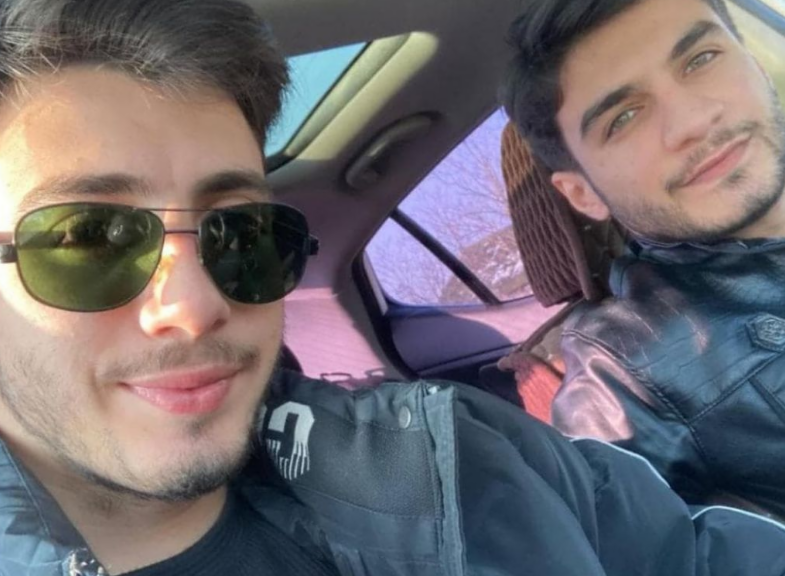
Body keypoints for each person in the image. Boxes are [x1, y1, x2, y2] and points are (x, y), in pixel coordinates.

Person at [1, 0, 785, 575]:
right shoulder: (627, 373)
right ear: (576, 191)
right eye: (84, 239)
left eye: (240, 233)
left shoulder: (464, 458)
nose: (196, 305)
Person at [503, 0, 785, 517]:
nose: (693, 120)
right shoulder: (627, 368)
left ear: (756, 66)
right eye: (623, 118)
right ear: (582, 193)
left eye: (701, 59)